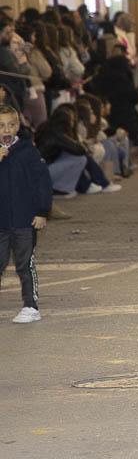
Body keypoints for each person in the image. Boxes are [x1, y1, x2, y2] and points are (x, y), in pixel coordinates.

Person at [0, 104, 51, 323]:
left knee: (25, 263)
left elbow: (42, 182)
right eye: (1, 125)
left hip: (24, 220)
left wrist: (41, 211)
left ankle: (31, 305)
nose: (7, 130)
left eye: (12, 124)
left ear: (18, 125)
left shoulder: (28, 151)